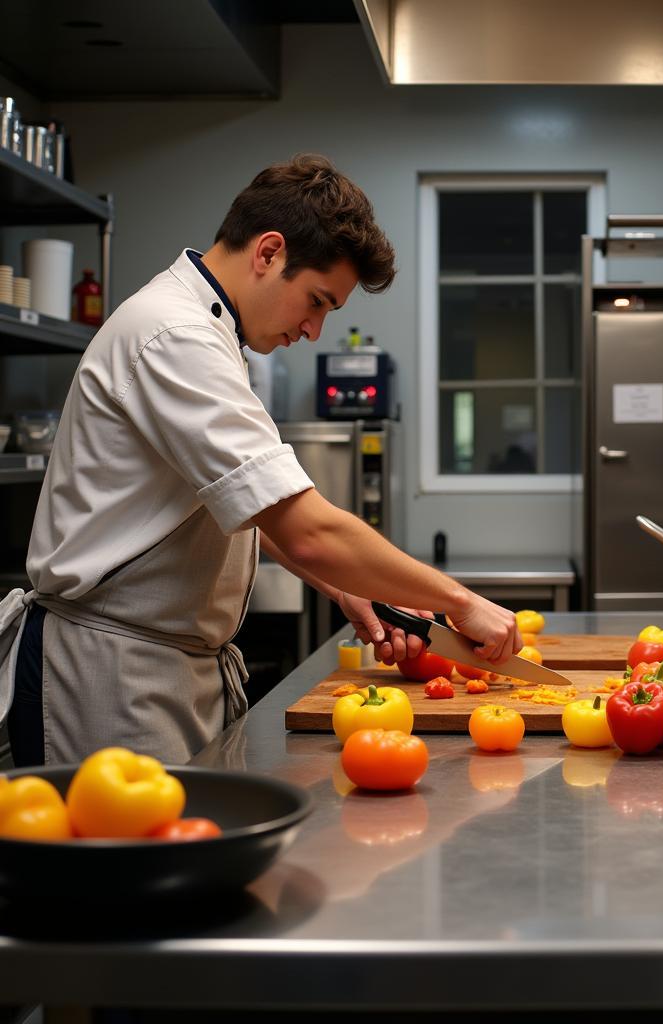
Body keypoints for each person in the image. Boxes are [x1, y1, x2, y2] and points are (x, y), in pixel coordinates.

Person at [0, 154, 521, 767]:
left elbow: (246, 504)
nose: (314, 329)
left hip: (158, 666)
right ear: (269, 253)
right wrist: (462, 602)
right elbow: (304, 529)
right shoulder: (177, 337)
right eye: (317, 301)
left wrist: (353, 589)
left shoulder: (212, 334)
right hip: (110, 674)